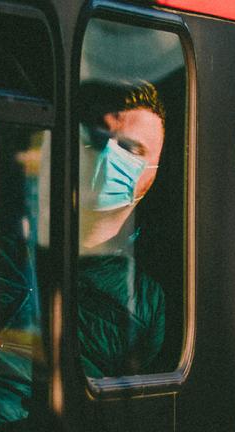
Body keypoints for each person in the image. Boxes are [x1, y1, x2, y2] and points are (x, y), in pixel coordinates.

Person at [77, 81, 167, 378]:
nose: (108, 154)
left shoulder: (146, 302)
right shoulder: (22, 234)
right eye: (101, 136)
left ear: (154, 171)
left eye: (130, 148)